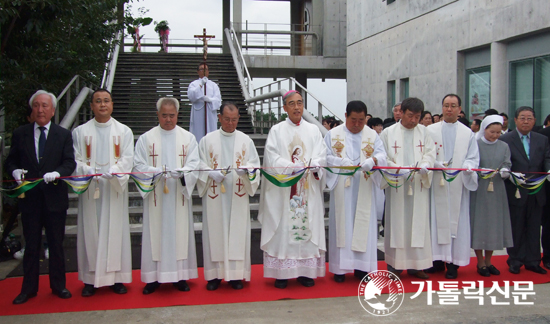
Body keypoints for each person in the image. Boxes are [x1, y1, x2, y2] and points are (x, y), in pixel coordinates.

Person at [6, 90, 76, 304]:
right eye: (36, 105)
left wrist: (58, 172)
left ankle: (58, 286)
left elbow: (69, 163)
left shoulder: (62, 134)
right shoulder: (20, 134)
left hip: (54, 199)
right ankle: (28, 288)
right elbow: (10, 162)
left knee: (56, 244)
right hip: (30, 200)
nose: (40, 109)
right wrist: (15, 172)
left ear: (53, 110)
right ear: (32, 109)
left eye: (45, 105)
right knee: (32, 245)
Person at [258, 90, 327, 289]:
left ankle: (306, 272)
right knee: (284, 227)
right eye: (292, 104)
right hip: (285, 190)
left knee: (306, 226)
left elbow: (322, 155)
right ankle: (282, 272)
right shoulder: (277, 131)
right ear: (284, 107)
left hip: (308, 190)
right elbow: (271, 157)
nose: (297, 107)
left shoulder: (314, 130)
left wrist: (316, 165)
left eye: (300, 103)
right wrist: (291, 167)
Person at [133, 97, 200, 293]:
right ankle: (153, 278)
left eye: (172, 115)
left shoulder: (188, 138)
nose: (168, 119)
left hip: (178, 195)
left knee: (179, 233)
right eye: (164, 115)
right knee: (156, 234)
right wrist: (154, 172)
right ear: (158, 115)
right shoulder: (146, 138)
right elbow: (138, 165)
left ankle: (180, 276)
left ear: (178, 115)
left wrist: (184, 173)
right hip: (156, 197)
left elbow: (194, 164)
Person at [72, 89, 134, 297]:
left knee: (115, 230)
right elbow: (75, 158)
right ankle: (91, 279)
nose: (102, 105)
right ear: (91, 106)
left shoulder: (124, 131)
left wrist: (115, 171)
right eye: (98, 101)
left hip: (113, 188)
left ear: (112, 104)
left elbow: (127, 158)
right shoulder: (80, 132)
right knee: (91, 229)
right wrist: (87, 171)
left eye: (106, 101)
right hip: (90, 189)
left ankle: (116, 278)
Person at [197, 102, 261, 291]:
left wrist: (247, 171)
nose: (230, 123)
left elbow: (255, 164)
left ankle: (235, 275)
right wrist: (209, 173)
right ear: (219, 118)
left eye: (234, 120)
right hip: (215, 195)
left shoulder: (245, 140)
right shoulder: (207, 140)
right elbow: (198, 163)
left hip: (238, 195)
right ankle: (215, 275)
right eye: (227, 119)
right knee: (215, 232)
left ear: (238, 118)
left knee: (237, 233)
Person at [325, 101, 386, 282]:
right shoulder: (332, 134)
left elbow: (383, 155)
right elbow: (324, 156)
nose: (357, 124)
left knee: (363, 225)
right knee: (342, 225)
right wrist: (338, 162)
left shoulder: (372, 135)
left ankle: (362, 268)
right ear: (345, 116)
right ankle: (340, 269)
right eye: (353, 120)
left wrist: (373, 160)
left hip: (364, 186)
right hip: (342, 187)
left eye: (361, 120)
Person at [380, 97, 435, 279]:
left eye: (417, 117)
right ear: (401, 112)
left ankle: (417, 264)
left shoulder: (425, 132)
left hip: (418, 185)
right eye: (410, 116)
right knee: (398, 223)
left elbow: (430, 153)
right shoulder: (388, 133)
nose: (413, 120)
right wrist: (398, 170)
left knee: (418, 223)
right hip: (398, 185)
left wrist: (426, 165)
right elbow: (382, 157)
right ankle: (395, 264)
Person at [426, 94, 479, 280]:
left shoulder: (467, 133)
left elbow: (473, 157)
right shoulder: (430, 130)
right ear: (441, 108)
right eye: (446, 105)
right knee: (435, 221)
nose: (449, 109)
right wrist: (434, 163)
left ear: (459, 109)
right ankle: (437, 260)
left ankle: (454, 264)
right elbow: (425, 153)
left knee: (457, 222)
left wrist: (467, 166)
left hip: (458, 185)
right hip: (437, 185)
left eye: (453, 106)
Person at [500, 106, 550, 275]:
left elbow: (546, 159)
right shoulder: (506, 139)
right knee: (517, 226)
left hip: (537, 190)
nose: (526, 121)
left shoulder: (541, 139)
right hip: (516, 190)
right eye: (522, 118)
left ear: (535, 121)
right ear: (515, 120)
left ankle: (533, 260)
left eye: (529, 118)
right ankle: (515, 260)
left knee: (534, 227)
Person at [469, 115, 513, 277]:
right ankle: (480, 261)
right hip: (479, 189)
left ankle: (489, 260)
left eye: (498, 132)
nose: (495, 135)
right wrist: (480, 170)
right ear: (484, 129)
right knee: (480, 223)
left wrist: (505, 171)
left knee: (494, 225)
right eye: (492, 132)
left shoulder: (504, 146)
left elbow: (507, 163)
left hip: (497, 190)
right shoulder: (476, 144)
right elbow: (471, 162)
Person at [188, 62, 222, 143]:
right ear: (198, 71)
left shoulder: (214, 85)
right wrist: (200, 85)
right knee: (198, 133)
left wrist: (209, 100)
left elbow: (218, 101)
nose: (204, 71)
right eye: (201, 69)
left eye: (206, 69)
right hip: (198, 114)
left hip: (210, 114)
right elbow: (191, 96)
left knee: (210, 134)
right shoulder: (194, 84)